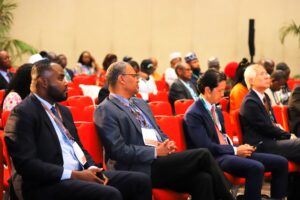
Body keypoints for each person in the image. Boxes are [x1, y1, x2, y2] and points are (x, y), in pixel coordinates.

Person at [4, 60, 152, 200]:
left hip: (78, 174)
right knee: (109, 194)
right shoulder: (22, 113)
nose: (66, 82)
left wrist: (93, 168)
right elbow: (27, 165)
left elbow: (78, 147)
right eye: (61, 78)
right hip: (45, 183)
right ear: (44, 82)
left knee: (140, 181)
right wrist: (74, 175)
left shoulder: (63, 111)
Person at [94, 61, 235, 200]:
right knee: (203, 155)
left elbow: (157, 131)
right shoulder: (105, 109)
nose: (139, 79)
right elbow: (118, 150)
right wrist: (155, 152)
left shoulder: (140, 103)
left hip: (161, 161)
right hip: (139, 167)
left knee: (203, 179)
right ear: (122, 79)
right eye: (135, 75)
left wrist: (167, 142)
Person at [184, 69, 288, 200]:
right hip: (213, 157)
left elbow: (223, 136)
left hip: (227, 151)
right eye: (220, 91)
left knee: (280, 162)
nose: (223, 95)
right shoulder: (193, 113)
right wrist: (234, 150)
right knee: (256, 167)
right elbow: (205, 146)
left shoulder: (215, 108)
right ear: (207, 90)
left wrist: (239, 147)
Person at [240, 63, 300, 163]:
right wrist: (288, 136)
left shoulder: (265, 98)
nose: (268, 76)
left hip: (271, 141)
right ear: (251, 81)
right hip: (260, 145)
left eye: (267, 73)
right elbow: (266, 127)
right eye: (262, 74)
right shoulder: (250, 102)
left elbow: (272, 123)